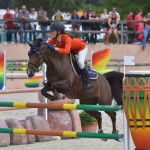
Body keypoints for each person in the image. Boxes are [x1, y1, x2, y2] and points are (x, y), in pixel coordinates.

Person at [47, 22, 92, 89]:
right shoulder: (54, 39)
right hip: (73, 50)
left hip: (81, 48)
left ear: (58, 32)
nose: (50, 33)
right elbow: (47, 44)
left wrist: (55, 48)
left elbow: (66, 51)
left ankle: (88, 82)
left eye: (52, 31)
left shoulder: (66, 37)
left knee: (80, 62)